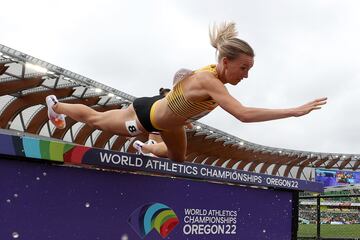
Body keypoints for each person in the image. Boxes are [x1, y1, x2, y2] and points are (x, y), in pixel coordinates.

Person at [46, 21, 327, 162]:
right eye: (243, 68)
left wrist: (182, 105)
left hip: (171, 119)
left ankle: (145, 147)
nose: (246, 75)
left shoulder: (211, 75)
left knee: (178, 160)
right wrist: (293, 111)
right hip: (147, 115)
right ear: (225, 62)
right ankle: (56, 106)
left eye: (249, 69)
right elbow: (241, 114)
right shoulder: (210, 80)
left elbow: (182, 82)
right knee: (96, 120)